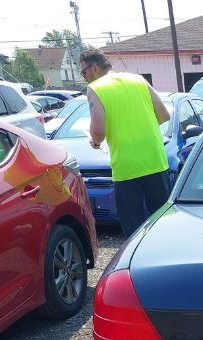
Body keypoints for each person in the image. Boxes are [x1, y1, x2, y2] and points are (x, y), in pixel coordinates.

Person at [79, 48, 171, 237]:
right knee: (162, 224)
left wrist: (95, 142)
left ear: (95, 68)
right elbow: (164, 115)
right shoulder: (138, 80)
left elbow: (98, 132)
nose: (85, 78)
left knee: (133, 230)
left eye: (84, 72)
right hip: (156, 161)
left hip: (126, 168)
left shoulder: (95, 89)